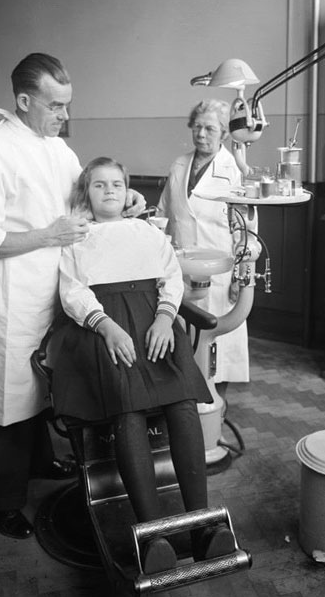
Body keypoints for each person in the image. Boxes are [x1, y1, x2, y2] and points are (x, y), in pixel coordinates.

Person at [0, 53, 145, 540]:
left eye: (68, 105)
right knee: (7, 394)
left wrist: (123, 199)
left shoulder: (57, 149)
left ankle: (40, 460)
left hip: (51, 288)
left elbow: (82, 198)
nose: (65, 116)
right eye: (56, 105)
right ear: (23, 100)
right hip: (8, 295)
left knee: (41, 384)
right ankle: (2, 500)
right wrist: (49, 234)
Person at [52, 157, 236, 573]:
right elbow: (72, 292)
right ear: (87, 193)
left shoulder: (146, 231)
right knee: (128, 409)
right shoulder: (77, 238)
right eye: (99, 185)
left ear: (128, 189)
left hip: (155, 321)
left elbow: (170, 276)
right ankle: (153, 537)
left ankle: (203, 525)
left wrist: (166, 317)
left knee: (182, 404)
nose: (110, 191)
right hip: (104, 326)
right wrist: (107, 328)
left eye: (117, 183)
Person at [157, 99, 251, 398]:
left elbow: (246, 228)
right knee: (187, 343)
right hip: (182, 270)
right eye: (197, 127)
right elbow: (163, 211)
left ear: (224, 133)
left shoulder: (233, 170)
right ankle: (190, 410)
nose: (201, 134)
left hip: (219, 272)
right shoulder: (179, 164)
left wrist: (239, 276)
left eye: (210, 128)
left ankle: (216, 412)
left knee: (220, 349)